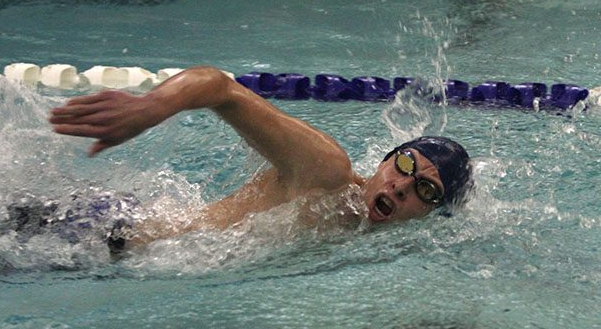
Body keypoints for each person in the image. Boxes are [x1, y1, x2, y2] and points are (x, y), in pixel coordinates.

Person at [48, 66, 473, 250]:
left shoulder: (359, 230)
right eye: (404, 166)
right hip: (98, 232)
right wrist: (149, 107)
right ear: (385, 161)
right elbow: (218, 86)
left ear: (434, 213)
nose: (400, 187)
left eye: (425, 190)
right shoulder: (326, 173)